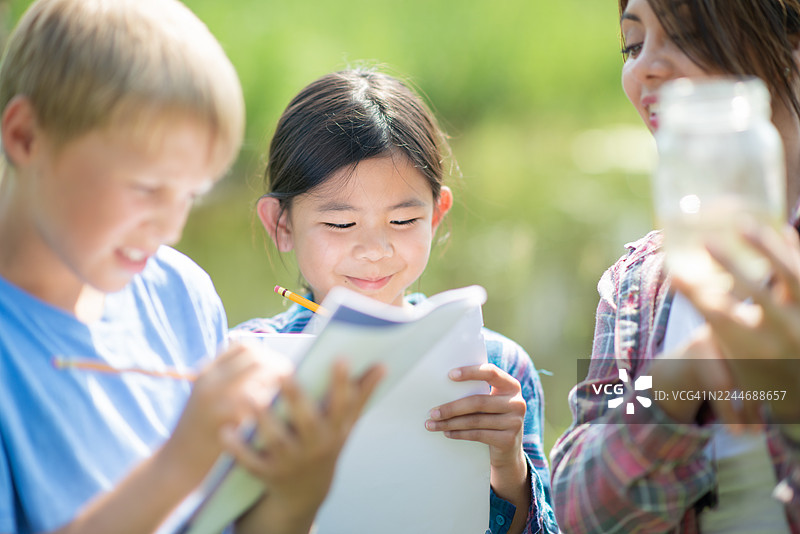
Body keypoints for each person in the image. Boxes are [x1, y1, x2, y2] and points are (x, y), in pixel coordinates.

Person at [0, 1, 383, 533]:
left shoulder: (179, 292)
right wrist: (177, 465)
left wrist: (300, 488)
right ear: (24, 137)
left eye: (190, 197)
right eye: (145, 188)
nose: (169, 228)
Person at [233, 68, 559, 534]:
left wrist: (508, 467)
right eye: (341, 225)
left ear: (437, 213)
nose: (375, 250)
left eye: (403, 220)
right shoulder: (248, 362)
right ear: (281, 224)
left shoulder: (495, 367)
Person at [550, 0, 800, 532]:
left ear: (793, 48)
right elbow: (575, 509)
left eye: (687, 34)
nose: (643, 68)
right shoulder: (639, 282)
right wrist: (677, 384)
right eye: (632, 45)